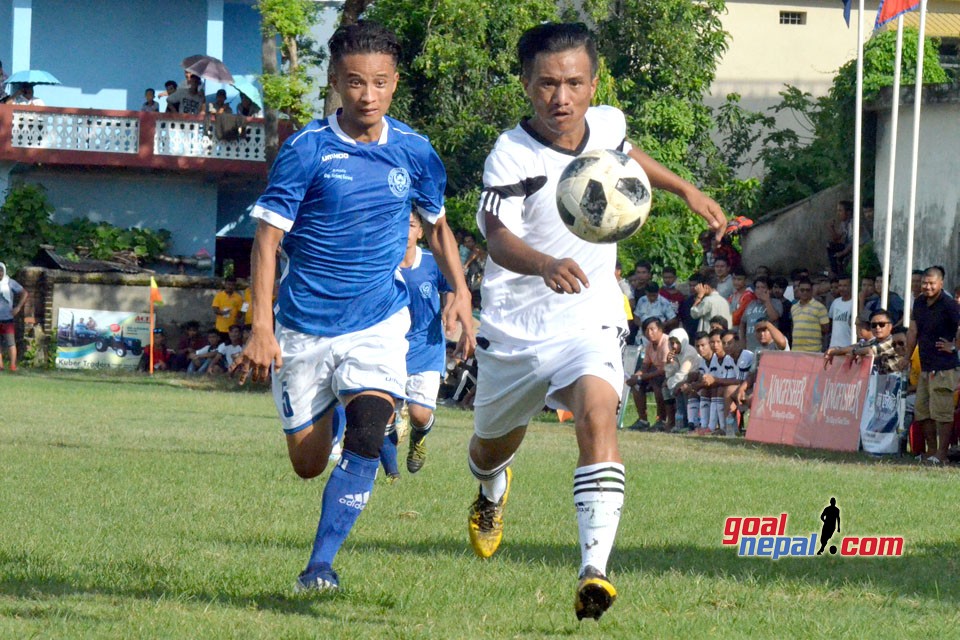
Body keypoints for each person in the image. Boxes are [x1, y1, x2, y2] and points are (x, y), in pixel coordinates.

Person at [464, 22, 725, 622]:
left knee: (600, 412)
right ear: (526, 85)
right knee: (489, 448)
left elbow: (629, 158)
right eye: (548, 84)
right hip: (516, 326)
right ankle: (490, 491)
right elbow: (496, 236)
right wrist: (543, 263)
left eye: (574, 83)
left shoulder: (606, 123)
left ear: (593, 83)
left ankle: (594, 571)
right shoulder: (511, 154)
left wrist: (686, 190)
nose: (562, 98)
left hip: (590, 315)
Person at [229, 21, 474, 594]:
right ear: (336, 81)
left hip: (378, 320)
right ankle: (336, 411)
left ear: (395, 84)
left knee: (368, 431)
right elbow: (266, 239)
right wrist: (261, 328)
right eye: (355, 83)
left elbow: (437, 227)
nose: (368, 96)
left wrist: (461, 292)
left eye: (380, 83)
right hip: (304, 328)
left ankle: (320, 565)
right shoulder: (307, 150)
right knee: (309, 463)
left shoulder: (415, 152)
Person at [378, 212, 453, 480]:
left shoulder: (432, 263)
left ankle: (418, 440)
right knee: (384, 413)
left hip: (427, 347)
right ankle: (392, 475)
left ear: (420, 232)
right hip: (390, 346)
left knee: (420, 415)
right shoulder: (383, 263)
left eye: (410, 225)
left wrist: (451, 308)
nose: (405, 231)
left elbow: (454, 284)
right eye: (399, 224)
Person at [903, 266, 960, 465]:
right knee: (922, 411)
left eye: (931, 283)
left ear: (941, 284)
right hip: (925, 367)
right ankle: (931, 451)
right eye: (924, 283)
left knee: (943, 412)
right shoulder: (918, 302)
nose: (926, 287)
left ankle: (942, 454)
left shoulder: (950, 305)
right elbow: (912, 331)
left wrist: (954, 347)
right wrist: (906, 357)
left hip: (944, 367)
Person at [825, 309, 904, 374]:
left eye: (881, 324)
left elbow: (870, 350)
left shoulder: (894, 342)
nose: (877, 328)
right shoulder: (873, 342)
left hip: (897, 386)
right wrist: (835, 350)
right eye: (874, 325)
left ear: (890, 326)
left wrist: (855, 352)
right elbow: (858, 346)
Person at [626, 317, 671, 431]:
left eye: (652, 329)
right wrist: (636, 376)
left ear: (660, 330)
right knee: (636, 385)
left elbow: (664, 369)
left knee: (657, 386)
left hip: (668, 375)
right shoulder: (649, 345)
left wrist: (641, 376)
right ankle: (643, 420)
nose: (649, 333)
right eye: (646, 330)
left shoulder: (667, 342)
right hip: (654, 374)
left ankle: (661, 420)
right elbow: (645, 365)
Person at [740, 276, 782, 352]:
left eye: (763, 287)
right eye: (757, 287)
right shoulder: (751, 304)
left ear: (769, 290)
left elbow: (774, 317)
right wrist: (742, 341)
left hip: (768, 348)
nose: (760, 290)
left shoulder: (776, 302)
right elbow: (743, 322)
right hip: (750, 347)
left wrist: (766, 301)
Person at [0, 262, 29, 371]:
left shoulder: (10, 283)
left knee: (10, 343)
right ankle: (0, 366)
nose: (0, 273)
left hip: (7, 318)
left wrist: (18, 307)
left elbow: (24, 293)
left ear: (4, 271)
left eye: (1, 270)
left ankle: (12, 366)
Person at [789, 278, 829, 353]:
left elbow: (826, 330)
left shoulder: (820, 307)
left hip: (813, 351)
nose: (805, 292)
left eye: (808, 290)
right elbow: (794, 327)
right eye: (802, 290)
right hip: (796, 351)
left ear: (811, 291)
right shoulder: (794, 307)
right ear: (798, 291)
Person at [827, 275, 853, 350]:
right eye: (840, 286)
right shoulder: (835, 302)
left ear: (851, 286)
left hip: (848, 347)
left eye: (845, 286)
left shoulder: (855, 303)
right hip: (833, 346)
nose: (842, 288)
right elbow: (830, 321)